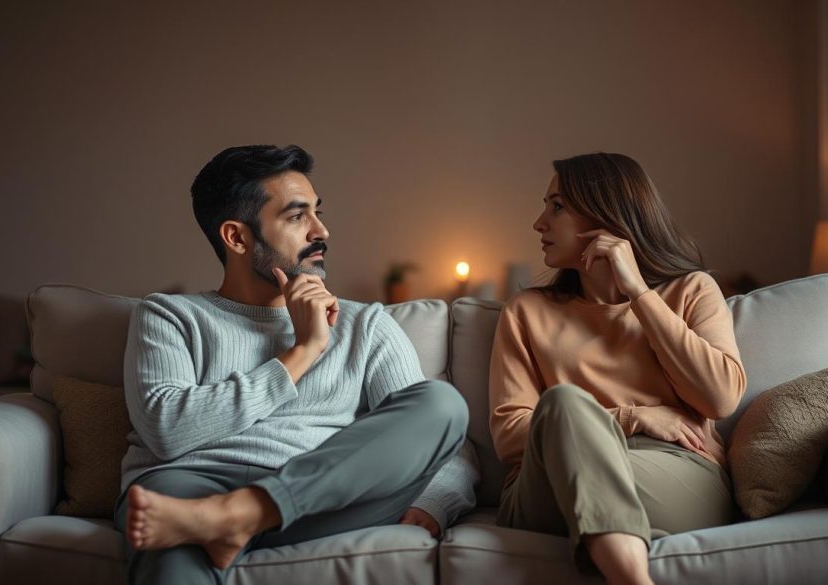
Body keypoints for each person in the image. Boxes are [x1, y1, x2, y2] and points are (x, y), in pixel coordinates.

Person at [116, 144, 479, 584]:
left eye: (317, 212)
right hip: (189, 493)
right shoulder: (169, 315)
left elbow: (443, 440)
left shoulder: (366, 324)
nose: (320, 231)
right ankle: (226, 516)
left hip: (324, 501)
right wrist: (302, 352)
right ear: (237, 237)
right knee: (166, 542)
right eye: (296, 216)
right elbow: (167, 431)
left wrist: (434, 503)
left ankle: (242, 514)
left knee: (441, 403)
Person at [488, 153, 745, 585]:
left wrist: (638, 294)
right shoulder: (526, 311)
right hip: (548, 481)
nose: (538, 223)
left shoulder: (693, 290)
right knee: (565, 402)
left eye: (556, 206)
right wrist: (633, 417)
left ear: (605, 216)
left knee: (570, 409)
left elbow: (720, 397)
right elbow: (511, 435)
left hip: (670, 472)